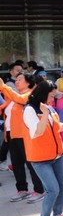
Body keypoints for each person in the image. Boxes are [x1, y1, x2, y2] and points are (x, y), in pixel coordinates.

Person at [22, 81, 63, 216]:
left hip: (58, 155)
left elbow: (57, 128)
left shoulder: (49, 107)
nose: (53, 99)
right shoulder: (30, 110)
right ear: (43, 94)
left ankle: (58, 215)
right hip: (40, 158)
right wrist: (44, 115)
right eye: (51, 96)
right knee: (53, 189)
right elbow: (37, 132)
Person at [0, 75, 45, 203]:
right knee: (17, 164)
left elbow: (21, 100)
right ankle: (22, 190)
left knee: (31, 164)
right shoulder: (13, 96)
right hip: (13, 134)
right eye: (16, 80)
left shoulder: (30, 95)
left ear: (28, 83)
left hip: (25, 135)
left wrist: (4, 86)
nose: (17, 82)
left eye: (20, 80)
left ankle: (40, 190)